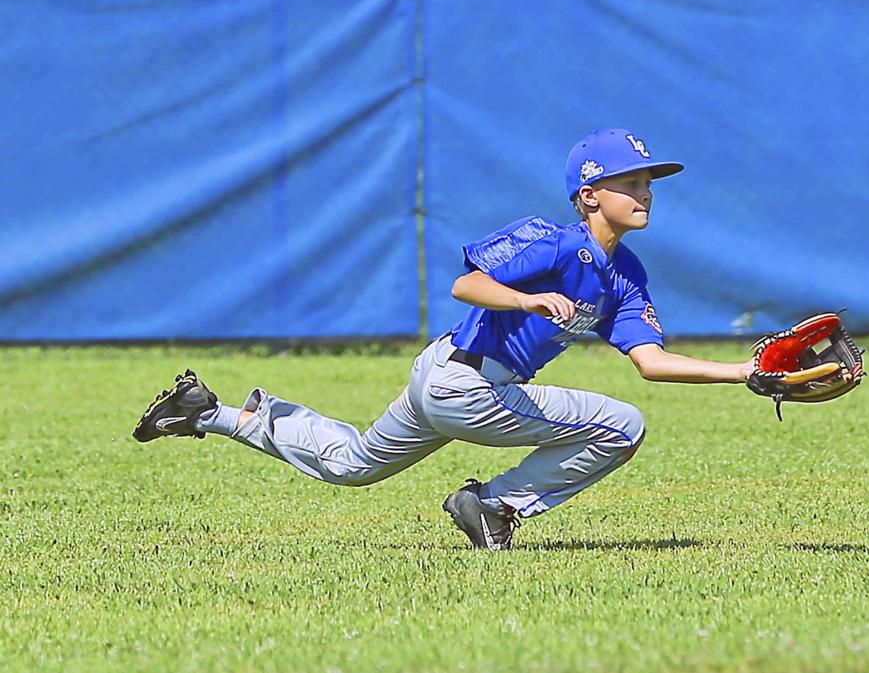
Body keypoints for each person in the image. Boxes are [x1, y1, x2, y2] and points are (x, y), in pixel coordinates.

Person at [133, 128, 754, 550]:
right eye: (629, 182)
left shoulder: (626, 276)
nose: (645, 191)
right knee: (622, 426)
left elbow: (652, 361)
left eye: (649, 181)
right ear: (589, 196)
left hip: (456, 383)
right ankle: (494, 505)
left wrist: (752, 373)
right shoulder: (553, 240)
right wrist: (526, 297)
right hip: (463, 380)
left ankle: (211, 414)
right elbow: (467, 286)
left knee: (351, 465)